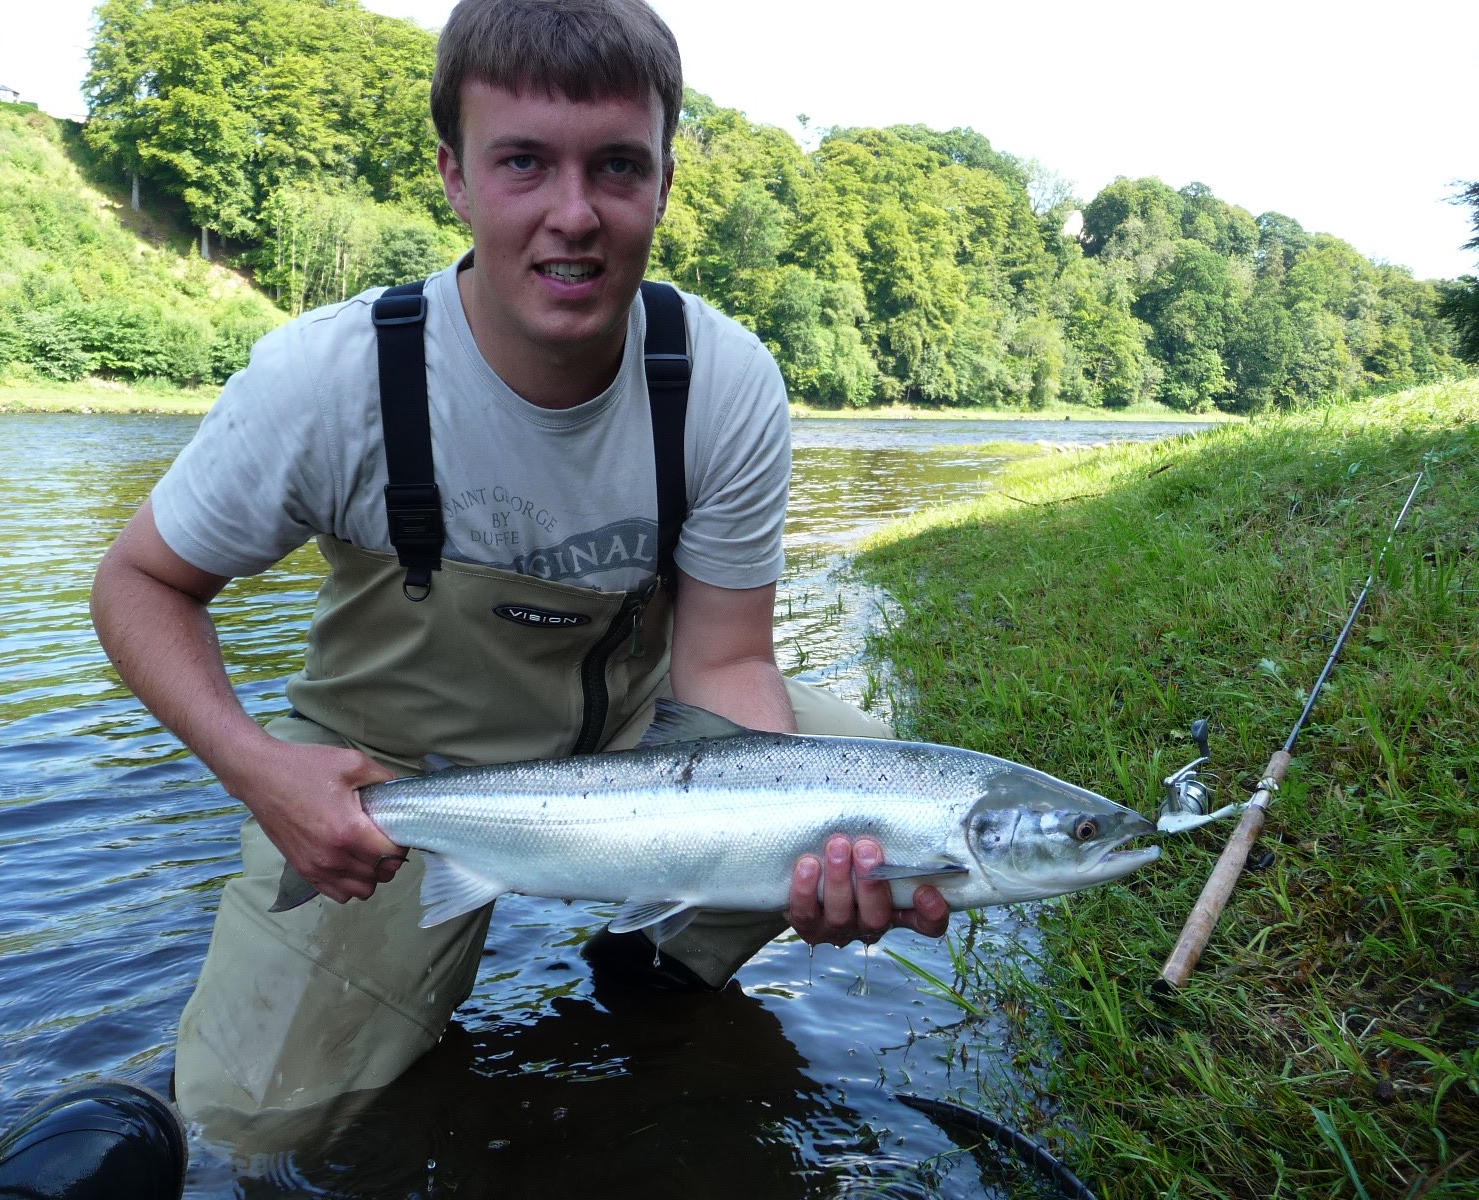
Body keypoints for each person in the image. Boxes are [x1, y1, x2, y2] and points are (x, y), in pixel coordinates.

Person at [90, 0, 949, 1121]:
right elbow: (137, 583)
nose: (574, 214)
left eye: (617, 167)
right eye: (524, 164)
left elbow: (728, 668)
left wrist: (800, 849)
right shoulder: (327, 382)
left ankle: (648, 984)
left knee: (856, 769)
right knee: (253, 1125)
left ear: (663, 182)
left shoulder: (724, 384)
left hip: (641, 752)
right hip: (388, 773)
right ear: (453, 176)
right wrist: (257, 768)